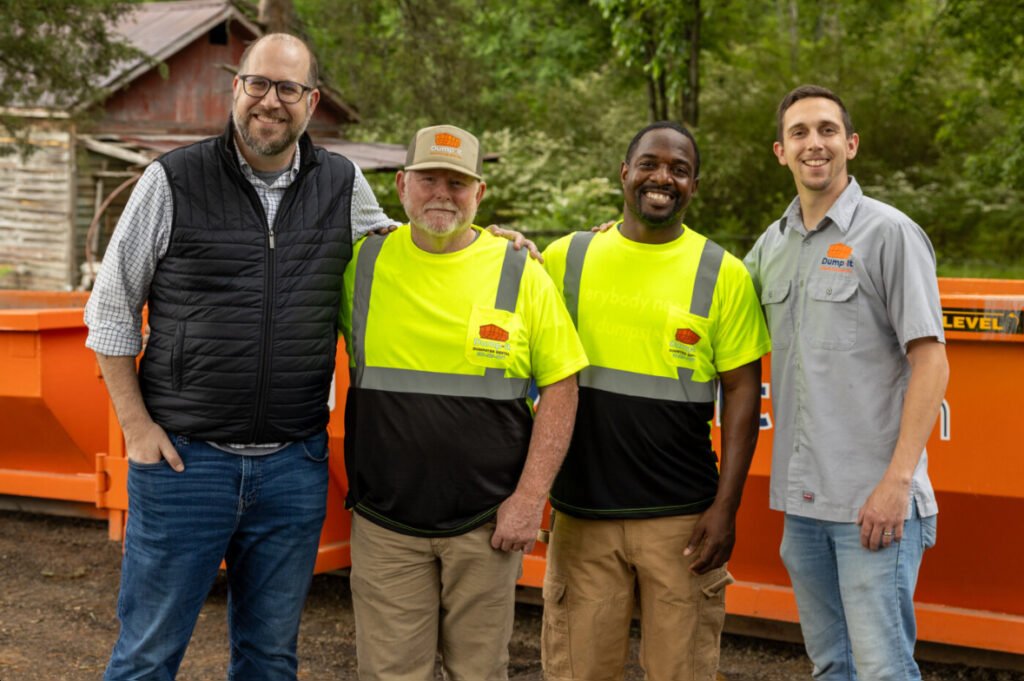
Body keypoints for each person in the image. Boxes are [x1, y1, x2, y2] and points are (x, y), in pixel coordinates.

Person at [84, 33, 543, 680]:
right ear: (235, 88)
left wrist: (485, 239)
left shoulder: (340, 182)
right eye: (258, 84)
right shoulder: (172, 181)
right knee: (148, 651)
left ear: (312, 101)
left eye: (289, 89)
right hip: (186, 464)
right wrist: (136, 428)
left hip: (290, 470)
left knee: (270, 655)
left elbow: (405, 240)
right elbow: (109, 311)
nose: (271, 101)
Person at [338, 124, 588, 680]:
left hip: (486, 524)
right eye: (429, 179)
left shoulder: (520, 270)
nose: (442, 193)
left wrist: (529, 498)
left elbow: (562, 387)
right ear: (402, 185)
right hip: (385, 524)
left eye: (458, 182)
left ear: (479, 193)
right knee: (389, 674)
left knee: (479, 672)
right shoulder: (361, 265)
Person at [539, 122, 771, 681]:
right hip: (582, 515)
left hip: (683, 523)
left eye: (679, 169)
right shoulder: (564, 258)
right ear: (625, 173)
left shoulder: (724, 274)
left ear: (694, 185)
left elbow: (742, 392)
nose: (662, 177)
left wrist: (726, 507)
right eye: (649, 164)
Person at [744, 85, 949, 680]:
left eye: (828, 131)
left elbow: (932, 362)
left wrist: (896, 483)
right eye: (800, 133)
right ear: (780, 152)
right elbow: (704, 303)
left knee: (884, 670)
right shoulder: (772, 245)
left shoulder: (890, 234)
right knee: (831, 666)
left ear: (850, 145)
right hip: (803, 508)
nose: (815, 144)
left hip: (873, 507)